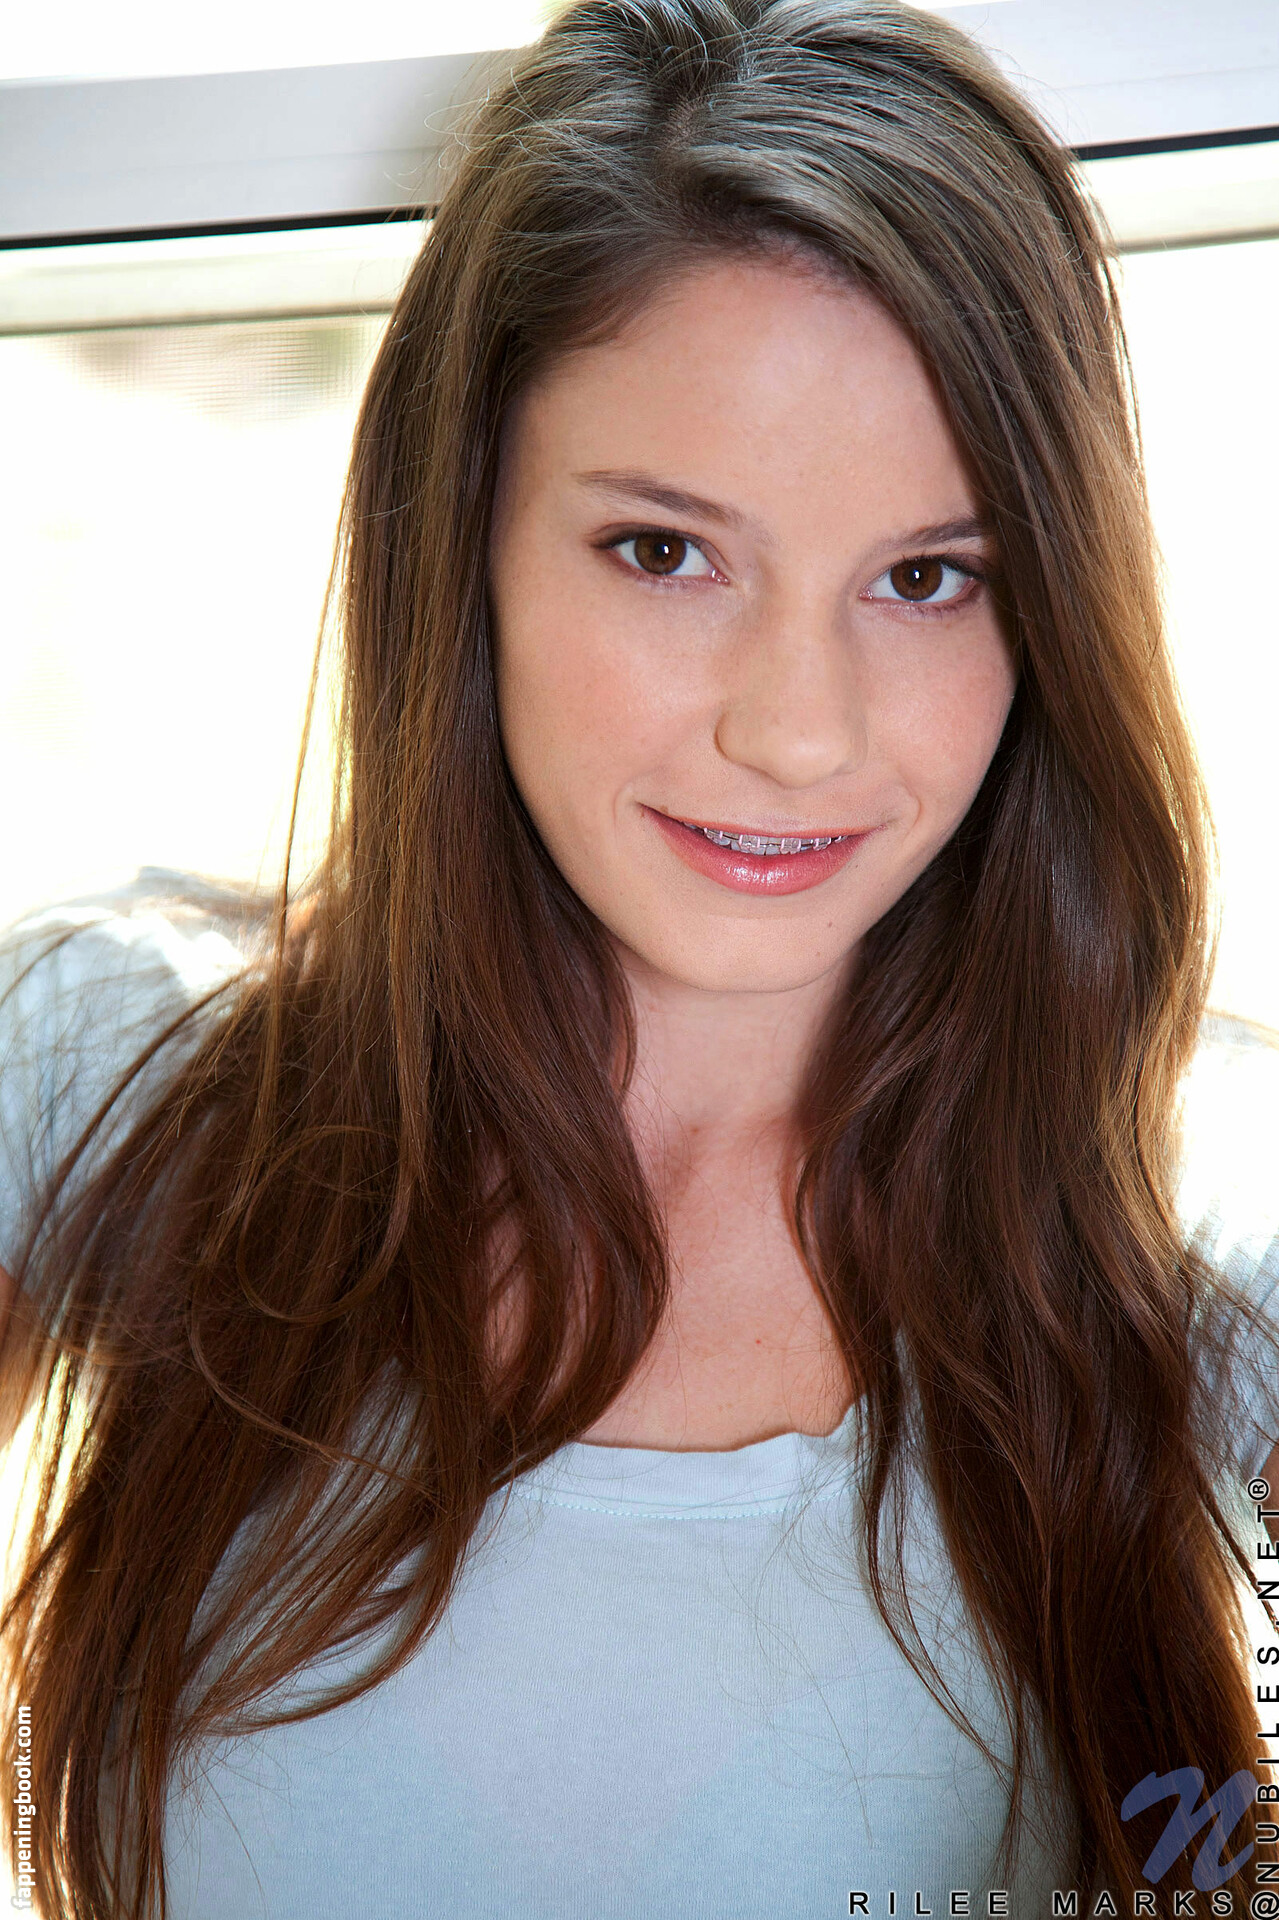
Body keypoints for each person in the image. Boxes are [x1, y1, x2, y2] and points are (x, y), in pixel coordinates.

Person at [2, 0, 1278, 1912]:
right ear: (463, 536)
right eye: (668, 552)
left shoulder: (1184, 1253)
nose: (799, 732)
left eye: (928, 577)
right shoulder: (105, 1075)